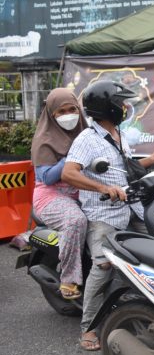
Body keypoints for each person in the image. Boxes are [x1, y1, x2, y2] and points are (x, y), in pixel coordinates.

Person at [61, 81, 154, 351]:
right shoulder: (87, 139)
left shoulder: (117, 133)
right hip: (103, 213)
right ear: (107, 107)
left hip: (131, 207)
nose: (126, 107)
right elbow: (69, 173)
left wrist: (152, 160)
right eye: (121, 103)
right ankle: (88, 328)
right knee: (103, 266)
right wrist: (103, 188)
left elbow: (124, 170)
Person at [30, 88, 88, 300]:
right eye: (61, 112)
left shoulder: (86, 133)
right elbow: (46, 177)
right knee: (76, 221)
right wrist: (70, 158)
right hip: (51, 197)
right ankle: (69, 279)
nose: (68, 115)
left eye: (72, 109)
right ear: (52, 114)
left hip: (83, 193)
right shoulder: (44, 139)